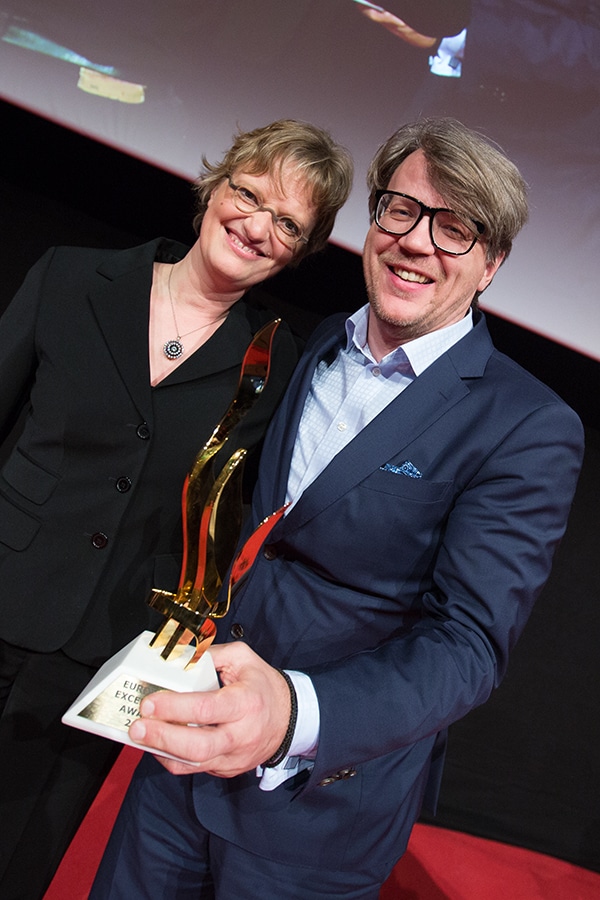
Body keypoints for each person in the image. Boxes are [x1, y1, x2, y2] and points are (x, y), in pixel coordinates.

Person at [91, 117, 584, 900]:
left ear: (491, 264)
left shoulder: (527, 425)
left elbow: (467, 647)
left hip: (316, 813)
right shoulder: (318, 341)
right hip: (180, 761)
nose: (416, 242)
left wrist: (293, 714)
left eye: (454, 228)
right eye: (402, 210)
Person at [0, 118, 353, 899]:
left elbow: (249, 519)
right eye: (248, 194)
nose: (256, 226)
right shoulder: (71, 277)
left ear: (301, 251)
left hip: (107, 650)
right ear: (214, 184)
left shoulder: (276, 363)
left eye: (287, 223)